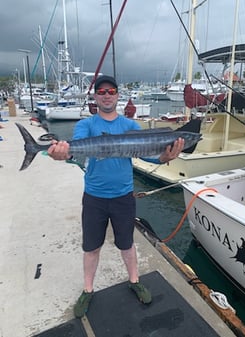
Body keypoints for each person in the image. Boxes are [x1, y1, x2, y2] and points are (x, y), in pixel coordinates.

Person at [48, 75, 185, 318]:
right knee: (91, 247)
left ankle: (134, 280)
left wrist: (164, 158)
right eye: (102, 91)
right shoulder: (86, 125)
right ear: (95, 96)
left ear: (117, 95)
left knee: (127, 244)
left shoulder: (131, 126)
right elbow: (76, 148)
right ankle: (88, 289)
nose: (107, 95)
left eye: (111, 90)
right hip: (94, 198)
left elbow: (145, 153)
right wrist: (63, 154)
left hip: (123, 197)